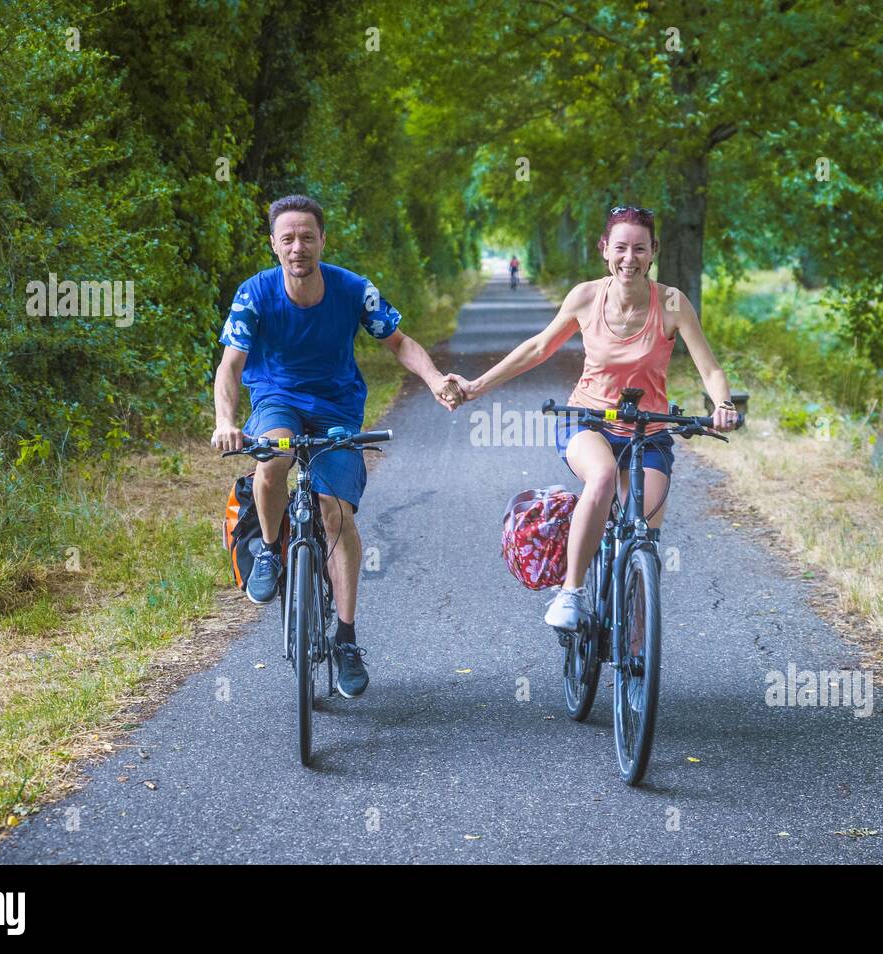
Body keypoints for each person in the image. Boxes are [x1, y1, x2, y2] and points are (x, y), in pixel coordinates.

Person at [211, 194, 464, 697]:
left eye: (307, 236)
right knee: (275, 454)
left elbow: (400, 342)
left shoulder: (353, 290)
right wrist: (225, 419)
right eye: (288, 238)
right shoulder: (255, 294)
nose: (298, 246)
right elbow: (231, 364)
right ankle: (268, 550)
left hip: (336, 409)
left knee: (335, 515)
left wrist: (434, 379)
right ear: (274, 246)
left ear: (322, 240)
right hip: (277, 399)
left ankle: (345, 638)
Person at [446, 206, 740, 630]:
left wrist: (723, 405)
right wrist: (476, 386)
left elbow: (709, 368)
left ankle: (637, 651)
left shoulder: (673, 303)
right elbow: (538, 349)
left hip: (648, 430)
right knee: (602, 477)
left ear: (653, 251)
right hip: (588, 420)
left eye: (640, 248)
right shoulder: (585, 297)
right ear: (605, 250)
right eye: (620, 247)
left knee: (644, 538)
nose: (629, 258)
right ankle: (571, 593)